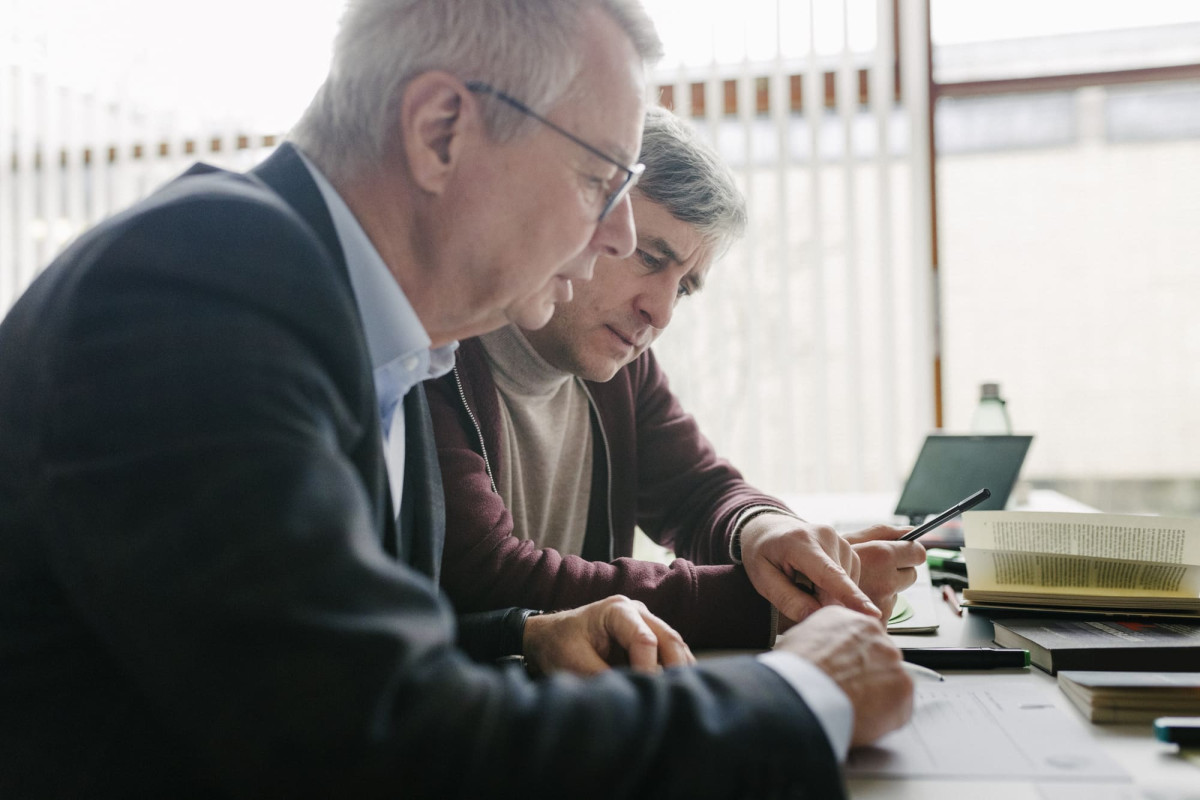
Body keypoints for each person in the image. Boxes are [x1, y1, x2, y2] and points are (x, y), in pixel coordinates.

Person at [0, 1, 912, 798]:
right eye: (603, 180)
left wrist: (527, 635)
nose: (618, 235)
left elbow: (324, 656)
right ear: (441, 130)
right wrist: (804, 695)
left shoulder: (386, 339)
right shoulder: (199, 290)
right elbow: (374, 742)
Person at [428, 106, 928, 650]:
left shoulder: (619, 363)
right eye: (648, 257)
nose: (662, 313)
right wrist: (782, 604)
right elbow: (488, 578)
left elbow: (698, 492)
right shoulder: (432, 355)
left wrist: (768, 531)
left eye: (685, 286)